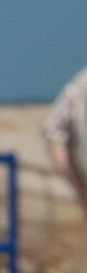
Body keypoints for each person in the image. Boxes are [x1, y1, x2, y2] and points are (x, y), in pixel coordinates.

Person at [44, 65, 87, 220]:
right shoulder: (81, 86)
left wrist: (79, 189)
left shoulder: (81, 84)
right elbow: (53, 131)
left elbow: (53, 131)